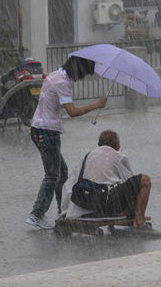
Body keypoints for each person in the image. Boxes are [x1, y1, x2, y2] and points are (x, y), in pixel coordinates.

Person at [26, 56, 107, 229]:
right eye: (83, 74)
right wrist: (97, 104)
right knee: (53, 175)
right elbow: (72, 112)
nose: (81, 78)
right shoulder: (62, 82)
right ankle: (37, 214)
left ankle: (61, 211)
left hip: (39, 129)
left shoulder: (55, 75)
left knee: (61, 172)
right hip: (47, 131)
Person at [63, 130, 160, 235]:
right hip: (103, 204)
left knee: (112, 189)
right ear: (116, 145)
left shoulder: (87, 156)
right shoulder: (117, 156)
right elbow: (130, 183)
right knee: (144, 180)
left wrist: (66, 211)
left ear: (99, 144)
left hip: (85, 203)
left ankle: (124, 213)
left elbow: (69, 184)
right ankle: (139, 223)